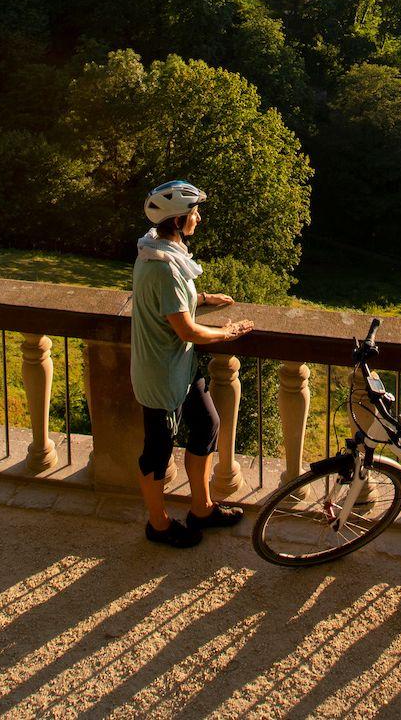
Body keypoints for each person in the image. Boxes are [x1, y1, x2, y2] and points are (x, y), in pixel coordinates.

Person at [133, 179, 254, 548]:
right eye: (193, 213)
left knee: (206, 425)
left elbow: (170, 300)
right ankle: (158, 524)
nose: (198, 218)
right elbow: (186, 330)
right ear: (178, 220)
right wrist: (229, 333)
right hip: (161, 374)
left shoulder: (158, 251)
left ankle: (201, 508)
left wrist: (202, 296)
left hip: (179, 369)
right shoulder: (163, 266)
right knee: (158, 449)